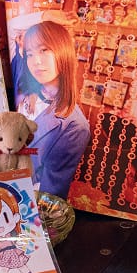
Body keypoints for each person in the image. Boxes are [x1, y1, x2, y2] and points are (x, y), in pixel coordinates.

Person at [17, 20, 89, 198]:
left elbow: (50, 194)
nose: (36, 61)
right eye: (30, 54)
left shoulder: (75, 126)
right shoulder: (24, 94)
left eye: (44, 50)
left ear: (62, 52)